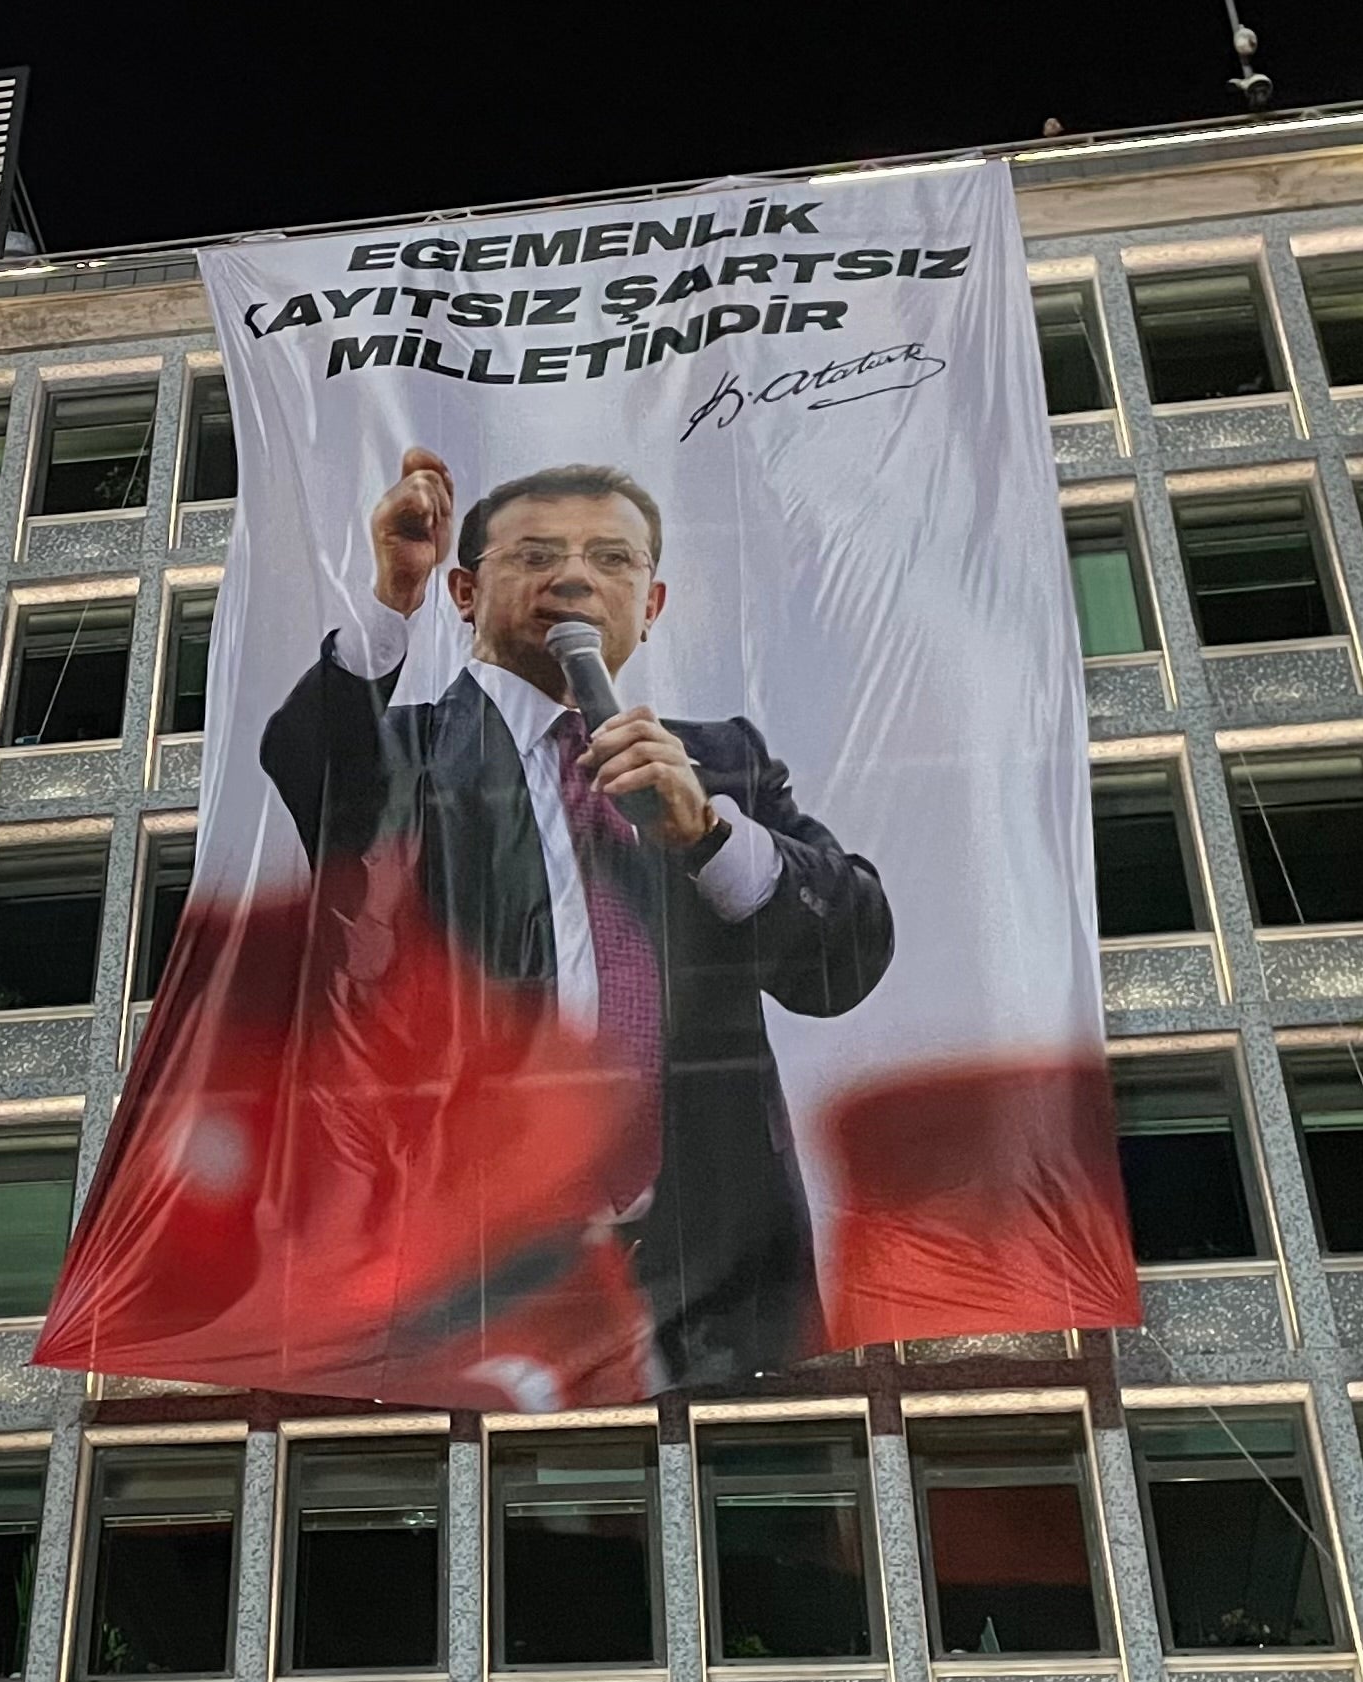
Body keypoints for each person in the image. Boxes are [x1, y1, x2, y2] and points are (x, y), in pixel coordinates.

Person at [261, 448, 895, 1386]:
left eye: (611, 558)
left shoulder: (718, 762)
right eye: (535, 555)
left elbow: (843, 958)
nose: (574, 576)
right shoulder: (402, 753)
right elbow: (310, 757)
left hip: (713, 1273)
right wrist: (391, 595)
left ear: (653, 602)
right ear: (466, 592)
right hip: (470, 1258)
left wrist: (709, 832)